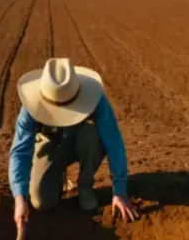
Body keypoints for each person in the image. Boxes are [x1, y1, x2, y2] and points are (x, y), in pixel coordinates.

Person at [8, 57, 139, 229]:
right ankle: (57, 175)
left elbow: (113, 141)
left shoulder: (96, 100)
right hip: (50, 142)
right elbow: (20, 152)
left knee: (90, 135)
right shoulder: (30, 109)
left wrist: (120, 191)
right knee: (41, 202)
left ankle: (85, 186)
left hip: (80, 139)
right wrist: (20, 199)